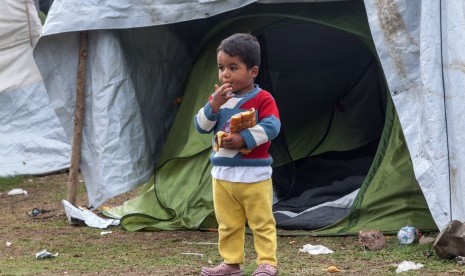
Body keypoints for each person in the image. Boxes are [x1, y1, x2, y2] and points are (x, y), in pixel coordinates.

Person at [194, 33, 281, 276]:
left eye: (233, 67)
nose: (225, 74)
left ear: (252, 71)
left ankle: (267, 263)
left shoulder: (263, 98)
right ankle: (231, 264)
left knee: (261, 222)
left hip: (254, 173)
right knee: (228, 223)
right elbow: (201, 126)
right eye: (221, 68)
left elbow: (273, 126)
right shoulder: (219, 98)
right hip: (222, 174)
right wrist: (213, 105)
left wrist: (244, 139)